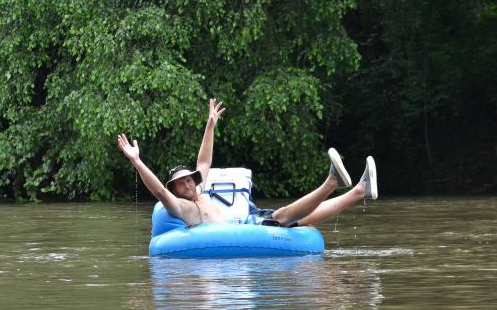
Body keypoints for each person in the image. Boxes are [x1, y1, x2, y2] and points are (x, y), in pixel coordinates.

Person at [117, 98, 377, 228]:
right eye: (181, 182)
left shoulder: (200, 192)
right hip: (244, 229)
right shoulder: (181, 208)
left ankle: (358, 191)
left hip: (247, 221)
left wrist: (210, 125)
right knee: (284, 215)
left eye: (189, 178)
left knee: (299, 217)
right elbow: (159, 191)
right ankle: (332, 182)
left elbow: (204, 160)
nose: (188, 183)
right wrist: (137, 161)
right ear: (175, 190)